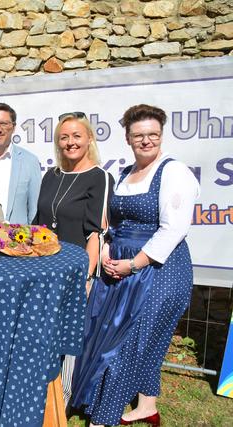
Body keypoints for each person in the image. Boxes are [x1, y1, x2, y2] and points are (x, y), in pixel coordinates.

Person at [71, 105, 199, 427]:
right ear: (128, 138)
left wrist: (133, 264)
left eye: (153, 134)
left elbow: (173, 230)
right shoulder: (127, 173)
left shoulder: (174, 172)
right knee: (115, 335)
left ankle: (103, 417)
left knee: (128, 344)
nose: (146, 140)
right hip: (123, 266)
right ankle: (146, 408)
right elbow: (118, 223)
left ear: (162, 135)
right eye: (139, 135)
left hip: (160, 271)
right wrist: (108, 249)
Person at [33, 112, 114, 407]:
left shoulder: (100, 177)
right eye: (64, 137)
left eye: (76, 136)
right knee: (44, 333)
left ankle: (62, 401)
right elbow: (41, 223)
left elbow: (97, 233)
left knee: (69, 336)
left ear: (89, 138)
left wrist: (88, 277)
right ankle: (40, 389)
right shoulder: (51, 175)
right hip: (44, 268)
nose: (70, 143)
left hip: (77, 271)